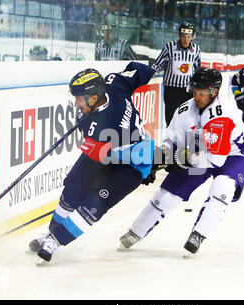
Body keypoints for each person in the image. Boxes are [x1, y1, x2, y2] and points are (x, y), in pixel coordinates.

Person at [28, 62, 155, 262]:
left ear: (94, 97)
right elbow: (143, 70)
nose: (76, 103)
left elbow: (102, 152)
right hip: (108, 152)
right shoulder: (113, 84)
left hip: (132, 163)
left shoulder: (97, 125)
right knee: (73, 184)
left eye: (79, 98)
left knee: (94, 203)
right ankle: (51, 234)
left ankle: (56, 241)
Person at [119, 68, 244, 254]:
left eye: (202, 93)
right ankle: (136, 231)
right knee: (167, 193)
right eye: (195, 91)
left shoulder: (224, 114)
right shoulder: (184, 111)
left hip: (233, 154)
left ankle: (199, 233)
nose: (196, 97)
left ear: (214, 92)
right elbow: (171, 141)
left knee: (223, 188)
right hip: (198, 151)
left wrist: (179, 160)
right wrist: (154, 163)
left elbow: (215, 159)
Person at [152, 21, 201, 126]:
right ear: (180, 35)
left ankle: (185, 141)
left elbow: (197, 69)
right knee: (171, 120)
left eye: (188, 36)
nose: (186, 39)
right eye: (183, 36)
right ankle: (171, 141)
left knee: (187, 120)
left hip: (187, 91)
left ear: (193, 36)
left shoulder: (196, 49)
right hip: (171, 90)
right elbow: (158, 64)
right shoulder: (170, 47)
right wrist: (151, 72)